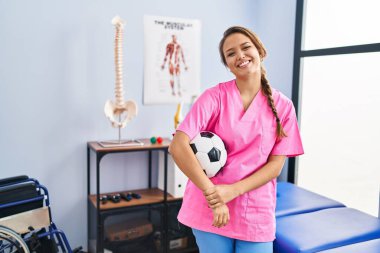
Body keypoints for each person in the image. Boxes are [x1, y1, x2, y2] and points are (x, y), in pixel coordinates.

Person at [168, 26, 304, 253]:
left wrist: (233, 191)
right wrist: (215, 195)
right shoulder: (214, 98)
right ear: (228, 65)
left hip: (255, 211)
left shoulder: (284, 106)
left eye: (245, 47)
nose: (239, 55)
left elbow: (275, 166)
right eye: (231, 53)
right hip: (210, 208)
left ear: (260, 51)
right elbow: (178, 146)